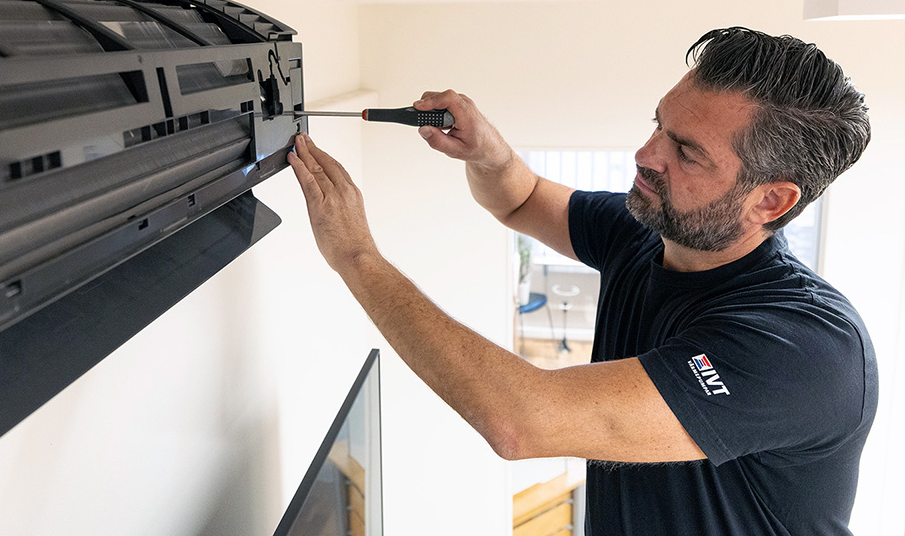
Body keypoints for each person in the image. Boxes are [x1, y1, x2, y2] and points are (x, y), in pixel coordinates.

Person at [287, 27, 877, 535]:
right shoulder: (651, 230)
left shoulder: (803, 349)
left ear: (770, 201)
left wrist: (356, 256)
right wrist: (488, 154)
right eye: (658, 126)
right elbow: (522, 199)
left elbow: (519, 421)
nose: (645, 154)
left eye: (686, 153)